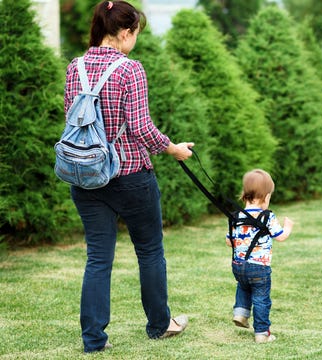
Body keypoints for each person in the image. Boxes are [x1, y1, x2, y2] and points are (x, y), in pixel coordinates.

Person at [64, 1, 193, 353]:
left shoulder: (75, 68)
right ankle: (159, 324)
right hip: (131, 175)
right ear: (124, 33)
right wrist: (174, 149)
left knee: (98, 258)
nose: (135, 39)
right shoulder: (130, 69)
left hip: (86, 175)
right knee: (150, 251)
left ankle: (93, 340)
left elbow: (71, 118)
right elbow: (140, 128)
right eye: (135, 33)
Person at [225, 169, 293, 343]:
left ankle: (240, 313)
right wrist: (288, 227)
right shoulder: (267, 216)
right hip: (259, 267)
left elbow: (228, 241)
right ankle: (262, 333)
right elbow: (281, 237)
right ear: (265, 196)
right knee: (261, 298)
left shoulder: (236, 215)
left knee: (243, 286)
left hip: (238, 265)